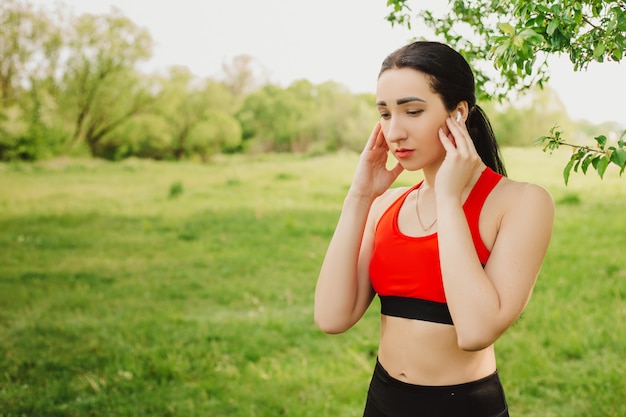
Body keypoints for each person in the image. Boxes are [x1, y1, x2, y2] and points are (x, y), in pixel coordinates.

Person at [314, 41, 554, 417]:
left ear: (458, 113)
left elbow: (475, 331)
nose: (394, 132)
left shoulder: (523, 203)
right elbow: (331, 317)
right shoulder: (384, 206)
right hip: (382, 402)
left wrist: (447, 196)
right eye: (384, 114)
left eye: (412, 111)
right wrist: (360, 197)